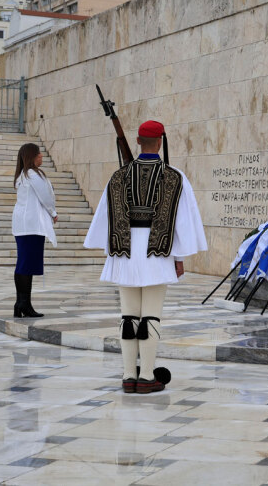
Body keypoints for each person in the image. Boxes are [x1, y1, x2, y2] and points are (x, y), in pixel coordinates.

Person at [85, 120, 207, 394]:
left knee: (128, 316)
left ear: (138, 141)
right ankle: (147, 376)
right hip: (157, 253)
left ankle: (129, 376)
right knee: (150, 316)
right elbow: (182, 221)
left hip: (124, 252)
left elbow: (106, 217)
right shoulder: (175, 177)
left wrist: (112, 252)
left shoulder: (118, 176)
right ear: (161, 142)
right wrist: (179, 257)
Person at [11, 143, 57, 318]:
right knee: (25, 264)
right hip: (31, 224)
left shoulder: (24, 175)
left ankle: (22, 303)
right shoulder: (32, 174)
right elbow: (45, 196)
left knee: (25, 264)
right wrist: (53, 212)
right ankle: (23, 304)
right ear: (32, 156)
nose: (41, 156)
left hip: (24, 224)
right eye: (38, 154)